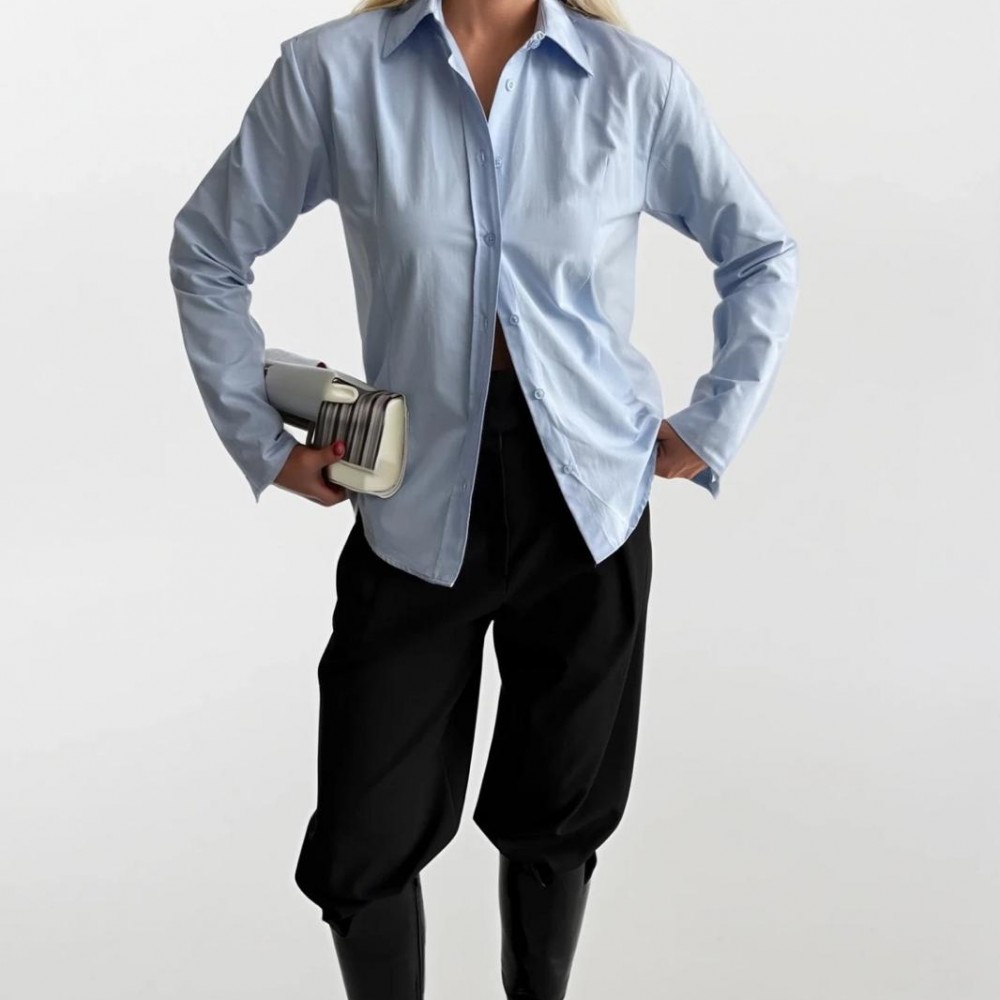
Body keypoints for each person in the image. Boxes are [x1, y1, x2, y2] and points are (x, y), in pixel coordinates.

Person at [167, 0, 800, 997]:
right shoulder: (333, 73)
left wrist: (711, 423)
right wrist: (260, 438)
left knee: (557, 821)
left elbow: (761, 254)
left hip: (587, 505)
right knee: (363, 837)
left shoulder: (633, 85)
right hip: (416, 500)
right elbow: (208, 250)